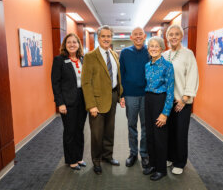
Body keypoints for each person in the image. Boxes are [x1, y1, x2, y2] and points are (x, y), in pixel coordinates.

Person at [81, 25, 123, 175]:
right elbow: (86, 83)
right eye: (103, 36)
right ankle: (97, 160)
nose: (106, 39)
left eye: (109, 36)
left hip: (112, 97)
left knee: (109, 130)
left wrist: (119, 96)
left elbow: (117, 77)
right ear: (98, 38)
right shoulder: (90, 56)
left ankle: (107, 156)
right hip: (97, 101)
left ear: (111, 38)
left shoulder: (114, 54)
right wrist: (91, 105)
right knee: (97, 133)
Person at [162, 24, 199, 175]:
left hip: (181, 101)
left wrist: (184, 99)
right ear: (167, 37)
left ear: (181, 36)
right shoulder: (164, 55)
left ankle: (180, 162)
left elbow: (192, 76)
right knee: (168, 131)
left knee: (180, 133)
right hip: (167, 101)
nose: (174, 37)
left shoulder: (188, 54)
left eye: (177, 34)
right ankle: (170, 157)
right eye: (171, 34)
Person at [51, 33, 87, 171]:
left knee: (80, 130)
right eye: (69, 42)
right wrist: (60, 103)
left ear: (79, 44)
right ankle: (71, 160)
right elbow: (55, 83)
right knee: (70, 131)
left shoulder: (83, 59)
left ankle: (79, 157)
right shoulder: (59, 60)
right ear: (65, 45)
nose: (72, 44)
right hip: (67, 101)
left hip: (83, 99)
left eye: (74, 42)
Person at [143, 36, 174, 181]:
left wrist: (165, 113)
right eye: (151, 46)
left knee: (159, 136)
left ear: (162, 48)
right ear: (148, 49)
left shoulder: (168, 66)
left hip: (160, 101)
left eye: (156, 46)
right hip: (148, 100)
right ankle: (153, 164)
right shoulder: (147, 65)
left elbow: (170, 90)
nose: (153, 48)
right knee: (149, 134)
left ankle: (161, 169)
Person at [119, 27, 150, 168]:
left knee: (145, 126)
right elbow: (121, 74)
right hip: (130, 94)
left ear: (144, 36)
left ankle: (144, 153)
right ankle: (133, 153)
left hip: (146, 94)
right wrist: (122, 95)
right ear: (131, 37)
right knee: (131, 125)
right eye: (135, 34)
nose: (138, 37)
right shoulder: (125, 53)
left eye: (140, 34)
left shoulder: (150, 51)